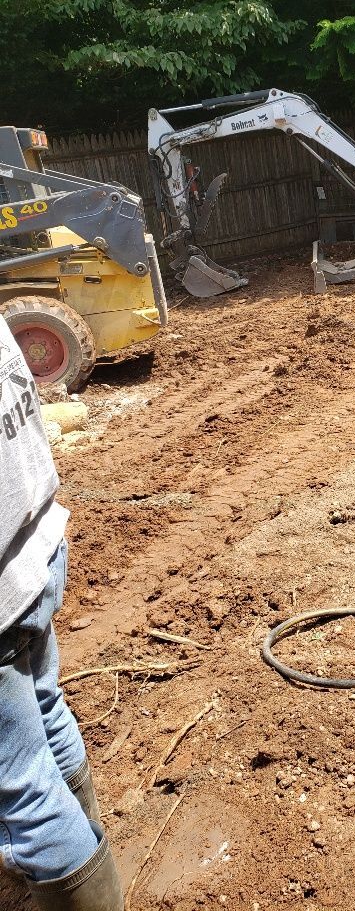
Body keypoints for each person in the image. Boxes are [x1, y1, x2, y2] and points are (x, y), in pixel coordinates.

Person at [0, 314, 123, 911]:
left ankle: (68, 869)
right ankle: (81, 848)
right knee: (45, 712)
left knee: (20, 786)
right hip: (37, 545)